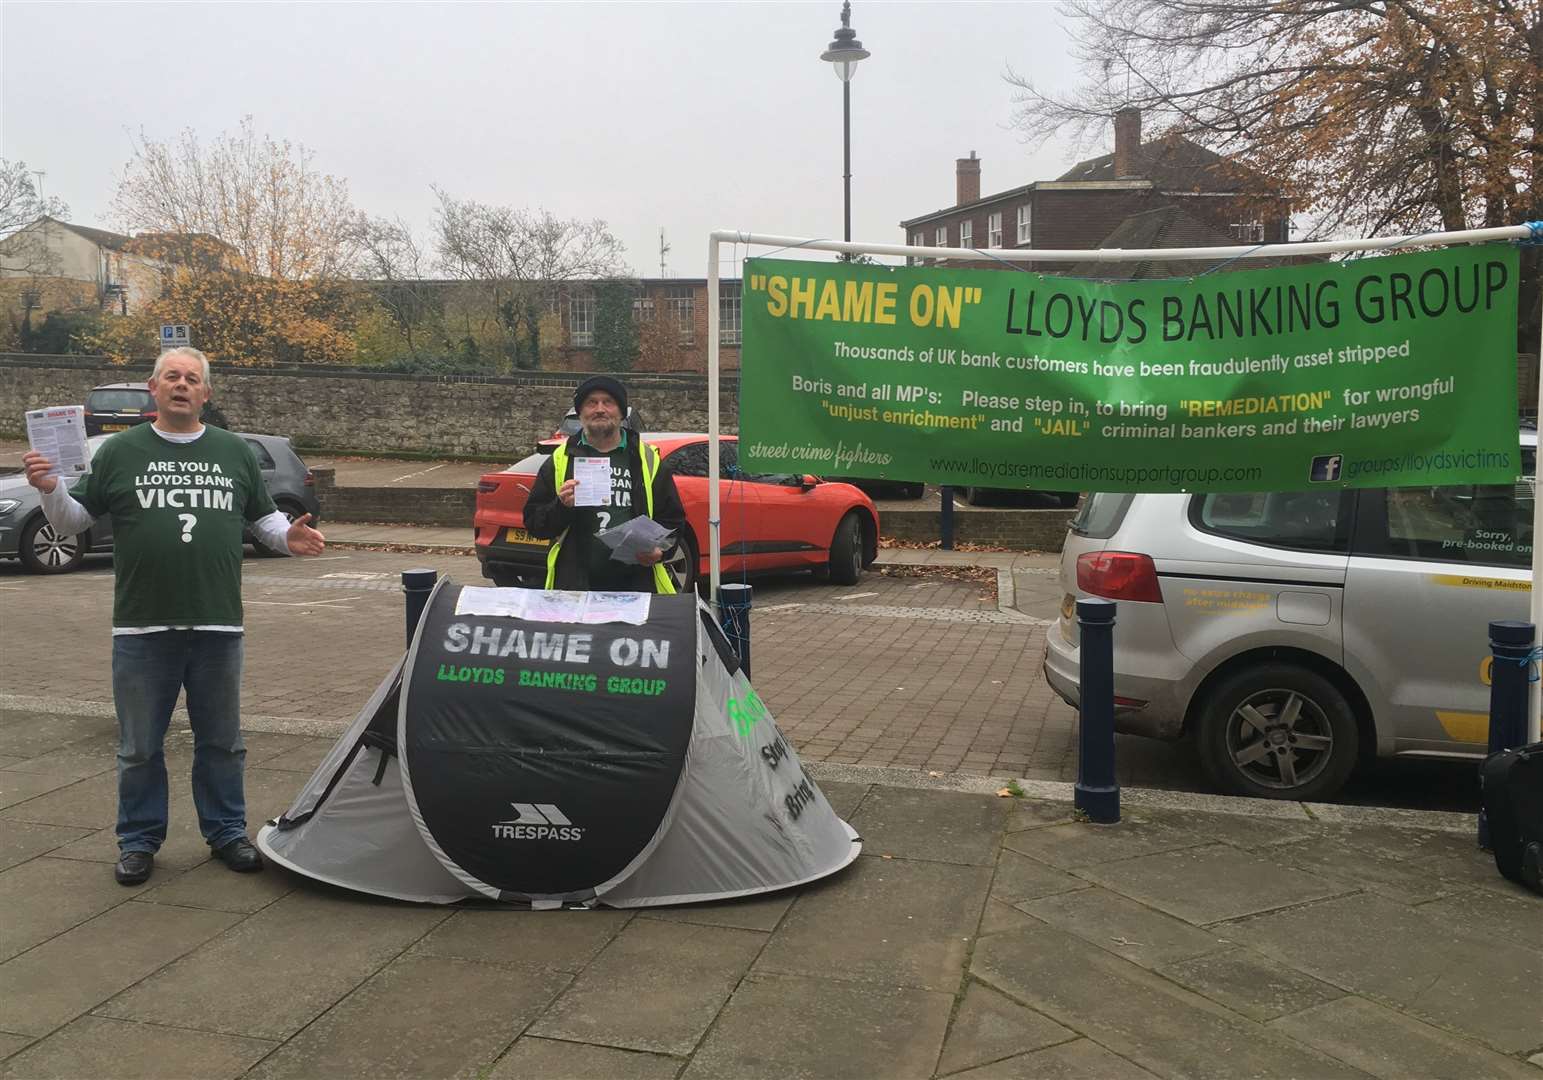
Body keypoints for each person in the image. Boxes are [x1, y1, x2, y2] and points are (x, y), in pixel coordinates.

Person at [21, 347, 326, 886]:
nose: (181, 384)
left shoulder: (233, 452)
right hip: (142, 626)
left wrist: (289, 537)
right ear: (153, 388)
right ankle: (138, 841)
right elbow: (73, 522)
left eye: (192, 378)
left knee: (223, 742)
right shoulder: (119, 451)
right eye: (171, 377)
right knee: (139, 746)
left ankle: (227, 832)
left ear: (206, 394)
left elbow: (265, 521)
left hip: (217, 624)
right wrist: (50, 490)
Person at [524, 374, 686, 593]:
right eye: (591, 402)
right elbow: (535, 523)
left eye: (608, 402)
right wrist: (561, 506)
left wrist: (661, 551)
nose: (600, 409)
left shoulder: (647, 459)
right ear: (580, 413)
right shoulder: (560, 459)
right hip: (576, 589)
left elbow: (673, 520)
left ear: (621, 412)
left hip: (636, 586)